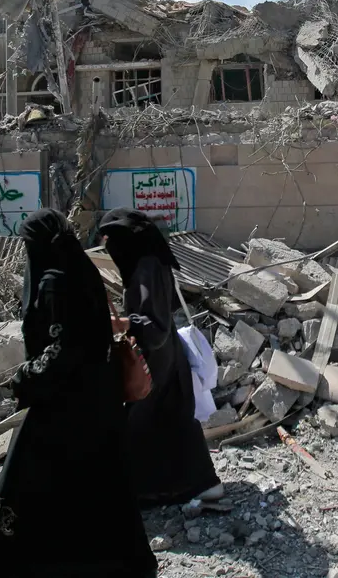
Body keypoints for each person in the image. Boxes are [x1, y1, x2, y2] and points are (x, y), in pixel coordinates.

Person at [0, 208, 157, 578]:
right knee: (101, 487)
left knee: (21, 486)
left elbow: (64, 350)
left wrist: (24, 377)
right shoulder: (81, 270)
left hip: (64, 409)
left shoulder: (54, 281)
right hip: (98, 405)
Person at [99, 207, 223, 508]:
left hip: (156, 359)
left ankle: (151, 490)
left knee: (143, 421)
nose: (110, 250)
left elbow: (153, 327)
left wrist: (123, 324)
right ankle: (200, 484)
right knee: (171, 419)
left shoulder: (145, 269)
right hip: (165, 358)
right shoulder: (151, 263)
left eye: (111, 242)